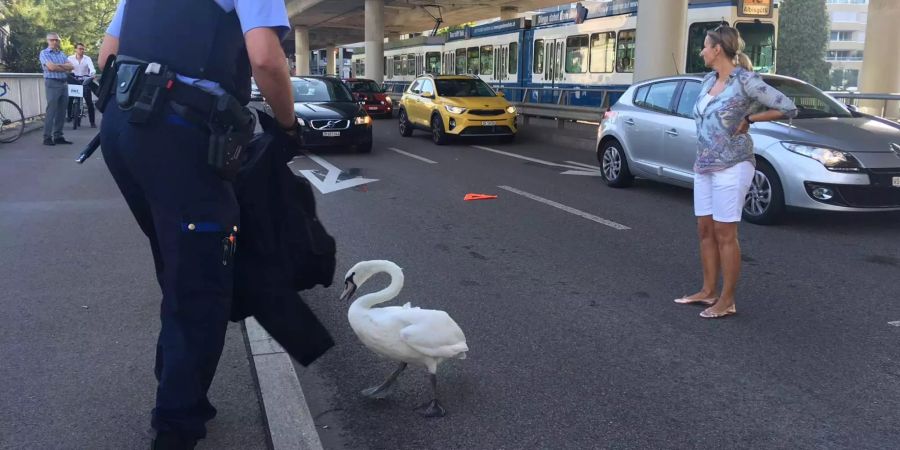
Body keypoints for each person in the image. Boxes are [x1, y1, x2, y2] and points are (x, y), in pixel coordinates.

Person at [97, 0, 301, 448]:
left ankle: (181, 391)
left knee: (178, 269)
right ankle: (176, 427)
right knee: (201, 283)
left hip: (123, 123)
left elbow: (106, 56)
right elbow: (265, 57)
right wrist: (288, 127)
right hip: (179, 131)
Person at [674, 25, 796, 319]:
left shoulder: (745, 81)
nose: (701, 51)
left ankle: (727, 299)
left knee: (725, 232)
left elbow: (788, 107)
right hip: (704, 163)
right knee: (704, 230)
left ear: (718, 50)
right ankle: (708, 291)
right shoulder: (707, 80)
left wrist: (750, 118)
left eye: (704, 46)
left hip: (733, 162)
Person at [39, 33, 74, 146]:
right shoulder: (44, 53)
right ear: (48, 40)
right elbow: (51, 67)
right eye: (52, 40)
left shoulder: (61, 53)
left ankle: (58, 136)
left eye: (56, 40)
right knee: (51, 111)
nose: (54, 42)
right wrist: (63, 66)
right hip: (52, 83)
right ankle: (47, 137)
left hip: (63, 83)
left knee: (61, 111)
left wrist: (57, 66)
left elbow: (71, 67)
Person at [67, 43, 97, 127]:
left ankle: (92, 122)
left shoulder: (87, 59)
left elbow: (92, 68)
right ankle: (69, 116)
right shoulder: (70, 58)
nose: (81, 50)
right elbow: (66, 67)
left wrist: (93, 74)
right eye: (80, 49)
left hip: (85, 80)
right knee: (70, 99)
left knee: (89, 102)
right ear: (75, 49)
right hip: (74, 80)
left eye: (83, 49)